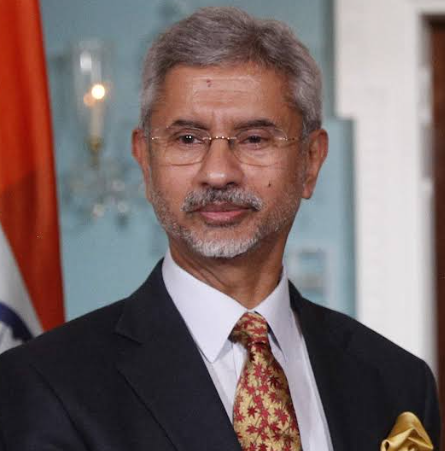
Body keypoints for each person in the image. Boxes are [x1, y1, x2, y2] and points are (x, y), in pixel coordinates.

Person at [0, 6, 440, 451]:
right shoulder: (45, 384)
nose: (218, 173)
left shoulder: (398, 382)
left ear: (310, 161)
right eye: (187, 139)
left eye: (254, 139)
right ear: (145, 161)